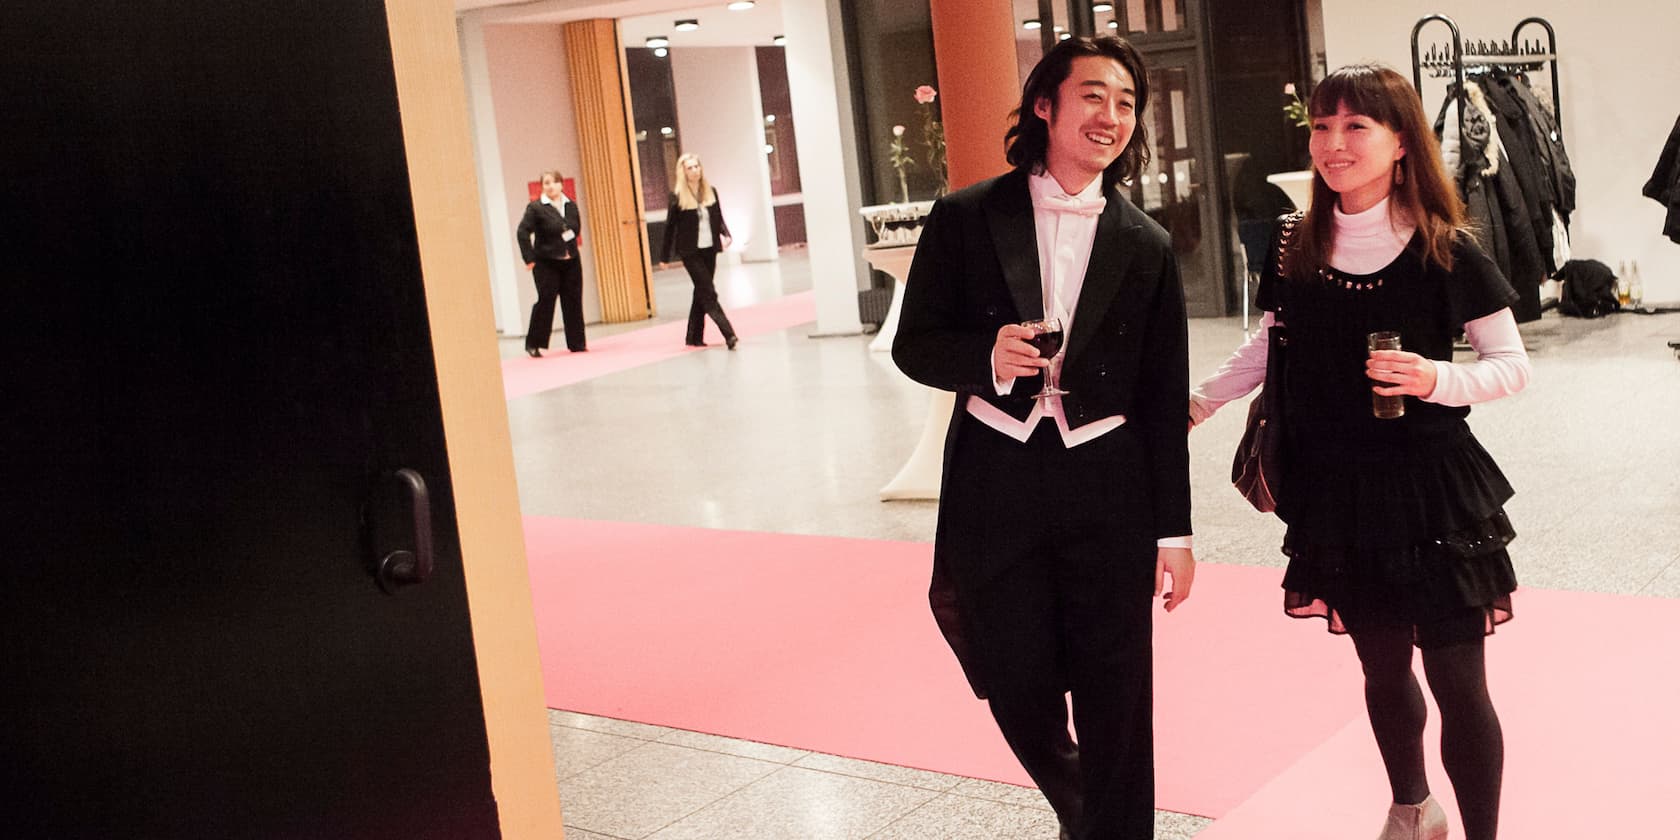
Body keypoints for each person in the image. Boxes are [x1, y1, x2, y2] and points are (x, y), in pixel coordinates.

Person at [1189, 65, 1531, 840]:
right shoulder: (1295, 245)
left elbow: (1511, 366)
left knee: (1458, 680)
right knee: (1380, 666)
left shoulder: (1447, 249)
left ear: (1401, 141)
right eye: (1320, 127)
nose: (1332, 145)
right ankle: (1411, 806)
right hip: (1334, 486)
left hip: (1430, 486)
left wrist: (1433, 376)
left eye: (1355, 127)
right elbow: (1271, 343)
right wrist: (1202, 399)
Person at [893, 35, 1195, 840]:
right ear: (1044, 105)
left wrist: (1175, 531)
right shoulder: (966, 218)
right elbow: (912, 344)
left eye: (1127, 103)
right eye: (1093, 95)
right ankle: (1086, 806)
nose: (1112, 116)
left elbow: (1164, 401)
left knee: (1117, 690)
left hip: (1111, 487)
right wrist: (983, 357)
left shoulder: (1149, 245)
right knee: (1011, 673)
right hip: (997, 477)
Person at [659, 154, 739, 350]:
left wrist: (725, 234)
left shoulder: (711, 192)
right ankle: (728, 333)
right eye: (690, 168)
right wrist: (664, 257)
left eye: (697, 167)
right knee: (709, 292)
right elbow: (670, 227)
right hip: (690, 251)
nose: (695, 170)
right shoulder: (677, 197)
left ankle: (693, 336)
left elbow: (718, 216)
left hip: (709, 249)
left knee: (701, 291)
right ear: (683, 172)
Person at [516, 170, 586, 355]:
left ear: (561, 184)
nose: (551, 186)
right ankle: (534, 344)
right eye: (546, 183)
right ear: (543, 186)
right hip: (546, 263)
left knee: (573, 301)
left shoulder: (570, 205)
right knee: (546, 301)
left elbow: (576, 228)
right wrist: (529, 258)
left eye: (554, 182)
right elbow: (522, 232)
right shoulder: (536, 208)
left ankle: (577, 343)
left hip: (571, 261)